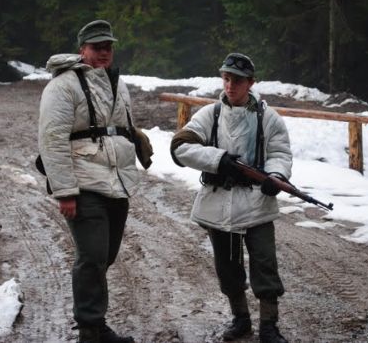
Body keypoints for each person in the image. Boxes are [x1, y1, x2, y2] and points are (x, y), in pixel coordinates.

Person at [170, 53, 292, 343]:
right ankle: (240, 319)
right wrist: (218, 160)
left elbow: (280, 153)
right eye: (226, 79)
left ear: (251, 83)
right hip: (219, 203)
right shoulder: (210, 115)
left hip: (257, 204)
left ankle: (269, 326)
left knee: (265, 264)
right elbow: (180, 147)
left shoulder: (268, 118)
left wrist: (275, 176)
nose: (230, 85)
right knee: (227, 268)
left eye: (237, 80)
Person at [38, 20, 146, 343]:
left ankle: (95, 326)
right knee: (92, 257)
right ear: (82, 49)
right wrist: (65, 191)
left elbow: (121, 127)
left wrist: (137, 143)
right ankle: (90, 330)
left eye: (108, 46)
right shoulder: (63, 86)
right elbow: (52, 139)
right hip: (83, 184)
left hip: (117, 181)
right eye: (97, 47)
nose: (104, 52)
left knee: (106, 256)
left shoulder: (117, 82)